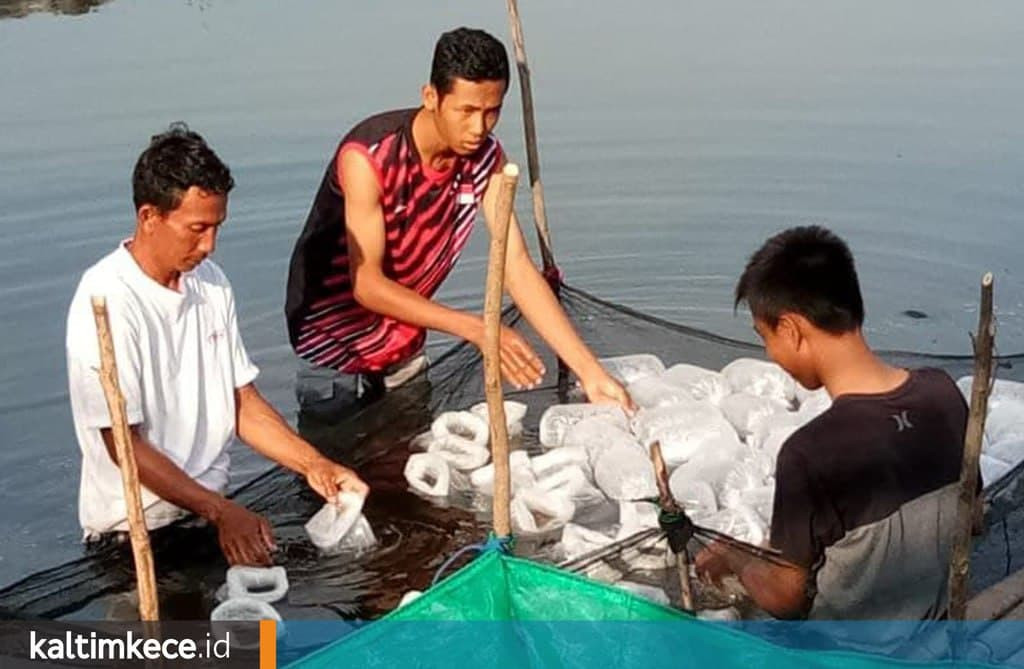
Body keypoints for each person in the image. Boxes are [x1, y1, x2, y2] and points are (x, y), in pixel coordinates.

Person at [66, 124, 368, 566]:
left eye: (217, 227)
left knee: (260, 633)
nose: (209, 245)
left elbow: (239, 400)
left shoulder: (211, 283)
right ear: (149, 217)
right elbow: (124, 446)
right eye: (196, 229)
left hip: (206, 514)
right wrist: (220, 510)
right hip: (136, 536)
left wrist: (313, 465)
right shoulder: (107, 299)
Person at [284, 27, 632, 411]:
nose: (478, 128)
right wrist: (477, 329)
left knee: (407, 456)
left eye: (491, 111)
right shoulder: (369, 156)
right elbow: (367, 284)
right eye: (465, 111)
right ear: (431, 97)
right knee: (333, 462)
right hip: (333, 343)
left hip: (402, 343)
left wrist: (590, 371)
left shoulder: (487, 160)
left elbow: (516, 266)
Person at [695, 226, 968, 619]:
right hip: (936, 635)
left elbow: (786, 599)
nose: (770, 354)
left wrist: (736, 558)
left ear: (790, 329)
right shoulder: (943, 394)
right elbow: (972, 519)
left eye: (765, 336)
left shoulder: (809, 452)